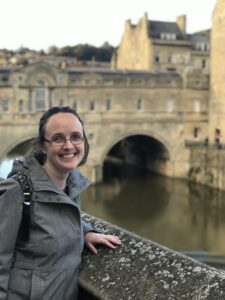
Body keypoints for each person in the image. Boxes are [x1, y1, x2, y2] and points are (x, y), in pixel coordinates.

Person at [0, 106, 122, 300]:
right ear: (42, 145)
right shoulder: (16, 190)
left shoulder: (71, 184)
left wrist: (84, 232)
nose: (68, 146)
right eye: (58, 138)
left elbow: (55, 214)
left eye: (76, 137)